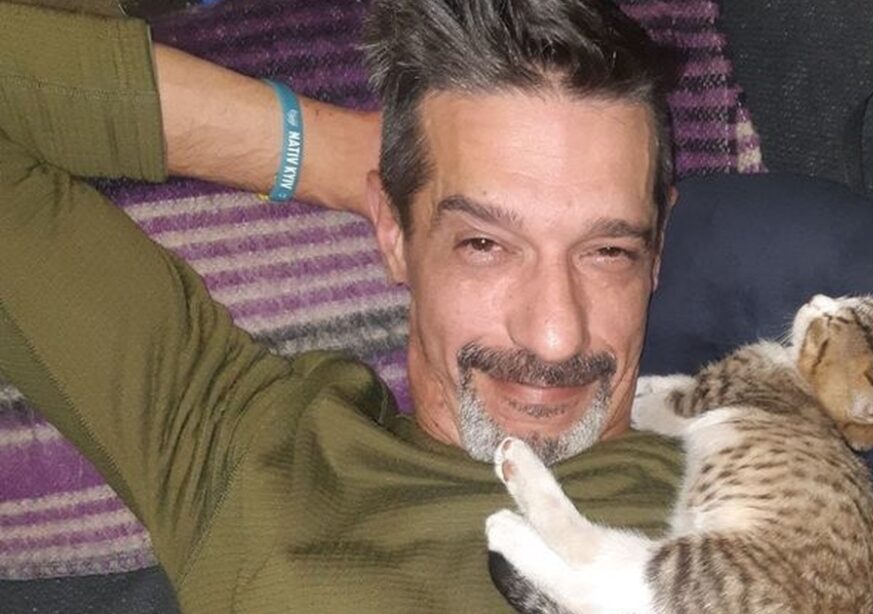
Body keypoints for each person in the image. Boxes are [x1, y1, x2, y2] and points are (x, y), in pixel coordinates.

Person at [0, 0, 682, 611]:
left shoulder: (734, 490)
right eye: (483, 243)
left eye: (608, 251)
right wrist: (326, 156)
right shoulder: (255, 452)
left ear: (657, 250)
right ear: (394, 233)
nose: (556, 335)